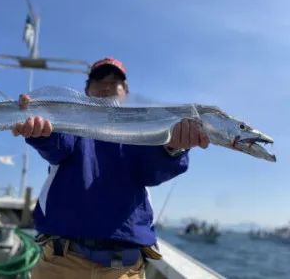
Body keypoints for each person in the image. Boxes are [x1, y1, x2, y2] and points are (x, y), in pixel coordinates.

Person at [12, 57, 210, 279]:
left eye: (115, 81)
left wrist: (173, 148)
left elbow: (152, 170)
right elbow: (57, 146)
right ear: (86, 90)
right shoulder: (70, 122)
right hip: (61, 263)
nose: (106, 86)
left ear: (125, 91)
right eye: (98, 80)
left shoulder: (144, 131)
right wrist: (42, 132)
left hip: (125, 269)